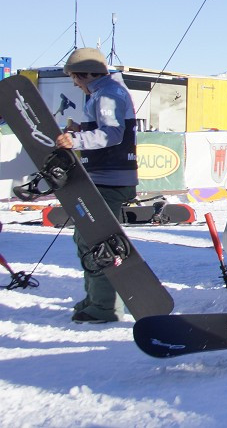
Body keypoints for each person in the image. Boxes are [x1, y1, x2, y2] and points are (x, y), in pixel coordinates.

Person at [55, 48, 138, 324]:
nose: (74, 83)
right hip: (105, 176)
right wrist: (80, 129)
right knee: (85, 238)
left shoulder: (107, 94)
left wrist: (76, 141)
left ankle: (104, 306)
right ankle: (95, 297)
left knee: (98, 242)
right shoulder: (102, 93)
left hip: (109, 178)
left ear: (87, 74)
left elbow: (113, 134)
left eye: (75, 77)